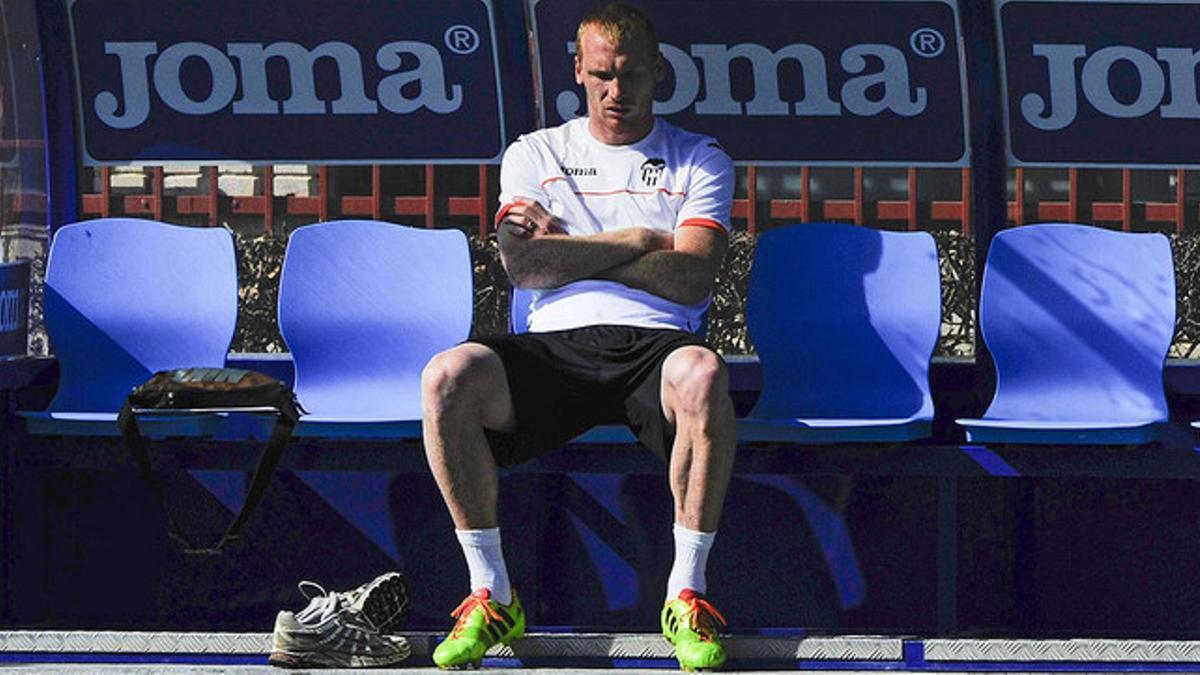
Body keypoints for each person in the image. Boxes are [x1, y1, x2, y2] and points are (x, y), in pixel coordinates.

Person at [420, 2, 736, 670]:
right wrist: (637, 238)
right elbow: (526, 264)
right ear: (578, 73)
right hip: (554, 346)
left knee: (705, 374)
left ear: (659, 71)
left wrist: (575, 247)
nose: (616, 92)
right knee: (445, 377)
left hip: (656, 345)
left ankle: (687, 593)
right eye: (601, 76)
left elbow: (691, 279)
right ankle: (492, 591)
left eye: (630, 76)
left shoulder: (699, 159)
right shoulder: (534, 153)